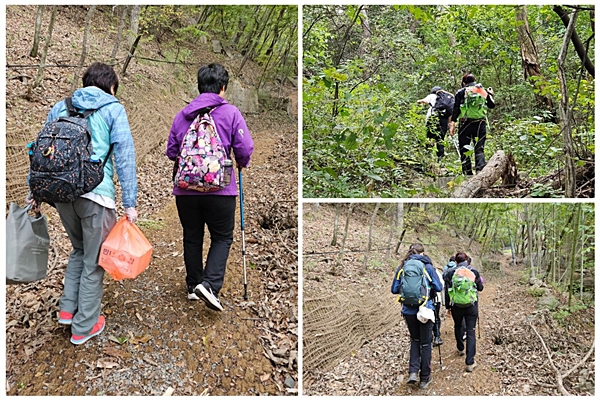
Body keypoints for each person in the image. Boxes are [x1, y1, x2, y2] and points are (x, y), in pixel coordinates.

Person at [28, 62, 138, 345]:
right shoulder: (113, 108)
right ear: (111, 86)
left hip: (61, 194)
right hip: (96, 196)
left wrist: (36, 192)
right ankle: (84, 326)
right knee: (94, 261)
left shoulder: (61, 106)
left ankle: (68, 310)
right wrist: (130, 203)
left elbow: (40, 150)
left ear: (85, 81)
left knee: (79, 250)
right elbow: (125, 157)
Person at [166, 63, 254, 312]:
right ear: (223, 88)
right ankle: (210, 285)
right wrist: (241, 162)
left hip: (185, 190)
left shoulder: (183, 114)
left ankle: (193, 285)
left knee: (192, 236)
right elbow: (245, 148)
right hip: (221, 190)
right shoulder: (231, 113)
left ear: (199, 86)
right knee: (222, 236)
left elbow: (172, 151)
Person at [391, 243, 443, 389]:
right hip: (425, 310)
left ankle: (413, 372)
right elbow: (439, 287)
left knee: (415, 339)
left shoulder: (402, 267)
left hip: (408, 311)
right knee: (426, 343)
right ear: (422, 253)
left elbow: (394, 289)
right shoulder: (428, 267)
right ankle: (425, 378)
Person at [443, 252, 484, 372]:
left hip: (456, 306)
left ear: (456, 261)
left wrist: (447, 307)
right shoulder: (474, 272)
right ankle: (470, 362)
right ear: (467, 260)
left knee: (458, 325)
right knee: (471, 331)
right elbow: (480, 288)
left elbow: (447, 290)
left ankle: (460, 348)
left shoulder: (450, 273)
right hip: (471, 306)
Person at [449, 74, 496, 175]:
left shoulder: (461, 92)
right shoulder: (481, 90)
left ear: (463, 83)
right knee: (479, 149)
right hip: (480, 124)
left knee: (464, 150)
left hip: (464, 123)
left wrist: (452, 124)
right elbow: (491, 105)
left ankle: (467, 174)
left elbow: (456, 109)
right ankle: (480, 172)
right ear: (475, 81)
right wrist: (491, 94)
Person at [417, 86, 452, 162]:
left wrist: (418, 102)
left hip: (433, 119)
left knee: (429, 138)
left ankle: (427, 157)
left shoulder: (432, 96)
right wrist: (449, 123)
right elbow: (450, 113)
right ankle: (440, 159)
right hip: (444, 120)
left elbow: (424, 101)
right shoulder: (448, 99)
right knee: (440, 139)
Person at [432, 268, 444, 347]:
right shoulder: (433, 270)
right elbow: (441, 286)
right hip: (435, 299)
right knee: (436, 318)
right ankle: (437, 337)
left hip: (419, 301)